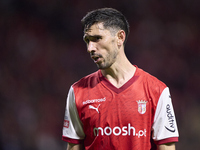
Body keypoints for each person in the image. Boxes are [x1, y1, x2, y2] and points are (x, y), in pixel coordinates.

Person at [62, 8, 179, 150]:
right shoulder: (78, 91)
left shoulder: (157, 90)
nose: (90, 48)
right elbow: (73, 146)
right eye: (87, 40)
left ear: (120, 37)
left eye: (97, 38)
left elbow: (166, 147)